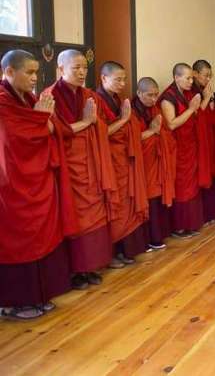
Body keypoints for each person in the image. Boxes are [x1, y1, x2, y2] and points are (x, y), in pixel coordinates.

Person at [0, 50, 76, 320]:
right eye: (29, 72)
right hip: (14, 183)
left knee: (41, 234)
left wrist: (42, 121)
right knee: (18, 237)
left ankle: (38, 295)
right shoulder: (3, 101)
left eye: (36, 72)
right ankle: (12, 302)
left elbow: (56, 129)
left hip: (38, 178)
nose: (35, 78)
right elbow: (14, 139)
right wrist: (40, 121)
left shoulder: (30, 99)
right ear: (9, 72)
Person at [47, 49, 114, 290]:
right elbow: (53, 131)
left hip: (91, 163)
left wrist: (94, 122)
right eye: (75, 67)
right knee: (73, 216)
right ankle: (74, 271)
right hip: (68, 167)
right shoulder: (49, 96)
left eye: (85, 67)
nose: (82, 72)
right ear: (60, 69)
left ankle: (89, 268)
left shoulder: (89, 95)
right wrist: (85, 122)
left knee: (94, 215)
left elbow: (102, 126)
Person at [96, 62, 149, 268]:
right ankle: (112, 253)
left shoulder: (117, 100)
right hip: (110, 161)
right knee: (114, 205)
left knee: (126, 203)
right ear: (103, 78)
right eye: (118, 79)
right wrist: (124, 119)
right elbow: (102, 133)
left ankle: (123, 251)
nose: (122, 83)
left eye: (124, 79)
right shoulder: (96, 100)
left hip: (123, 159)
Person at [160, 63, 206, 237]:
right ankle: (179, 227)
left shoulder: (187, 94)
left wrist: (197, 107)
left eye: (192, 78)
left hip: (189, 145)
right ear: (176, 77)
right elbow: (171, 124)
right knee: (180, 186)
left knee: (191, 185)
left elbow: (193, 116)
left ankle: (190, 223)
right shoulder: (167, 97)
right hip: (176, 148)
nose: (190, 81)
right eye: (187, 78)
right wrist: (192, 109)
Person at [132, 77, 176, 250]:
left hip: (156, 161)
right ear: (139, 93)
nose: (153, 99)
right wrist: (151, 131)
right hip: (141, 163)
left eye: (156, 95)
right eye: (149, 95)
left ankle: (157, 235)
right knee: (147, 198)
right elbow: (131, 139)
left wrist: (159, 134)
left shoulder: (155, 108)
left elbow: (164, 131)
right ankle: (146, 239)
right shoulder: (132, 111)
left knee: (157, 198)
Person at [192, 60, 215, 224]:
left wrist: (210, 100)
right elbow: (194, 116)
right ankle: (201, 215)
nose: (208, 79)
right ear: (195, 74)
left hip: (208, 138)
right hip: (196, 140)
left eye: (210, 76)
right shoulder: (191, 91)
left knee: (211, 171)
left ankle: (211, 212)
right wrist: (205, 99)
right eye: (206, 75)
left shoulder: (205, 90)